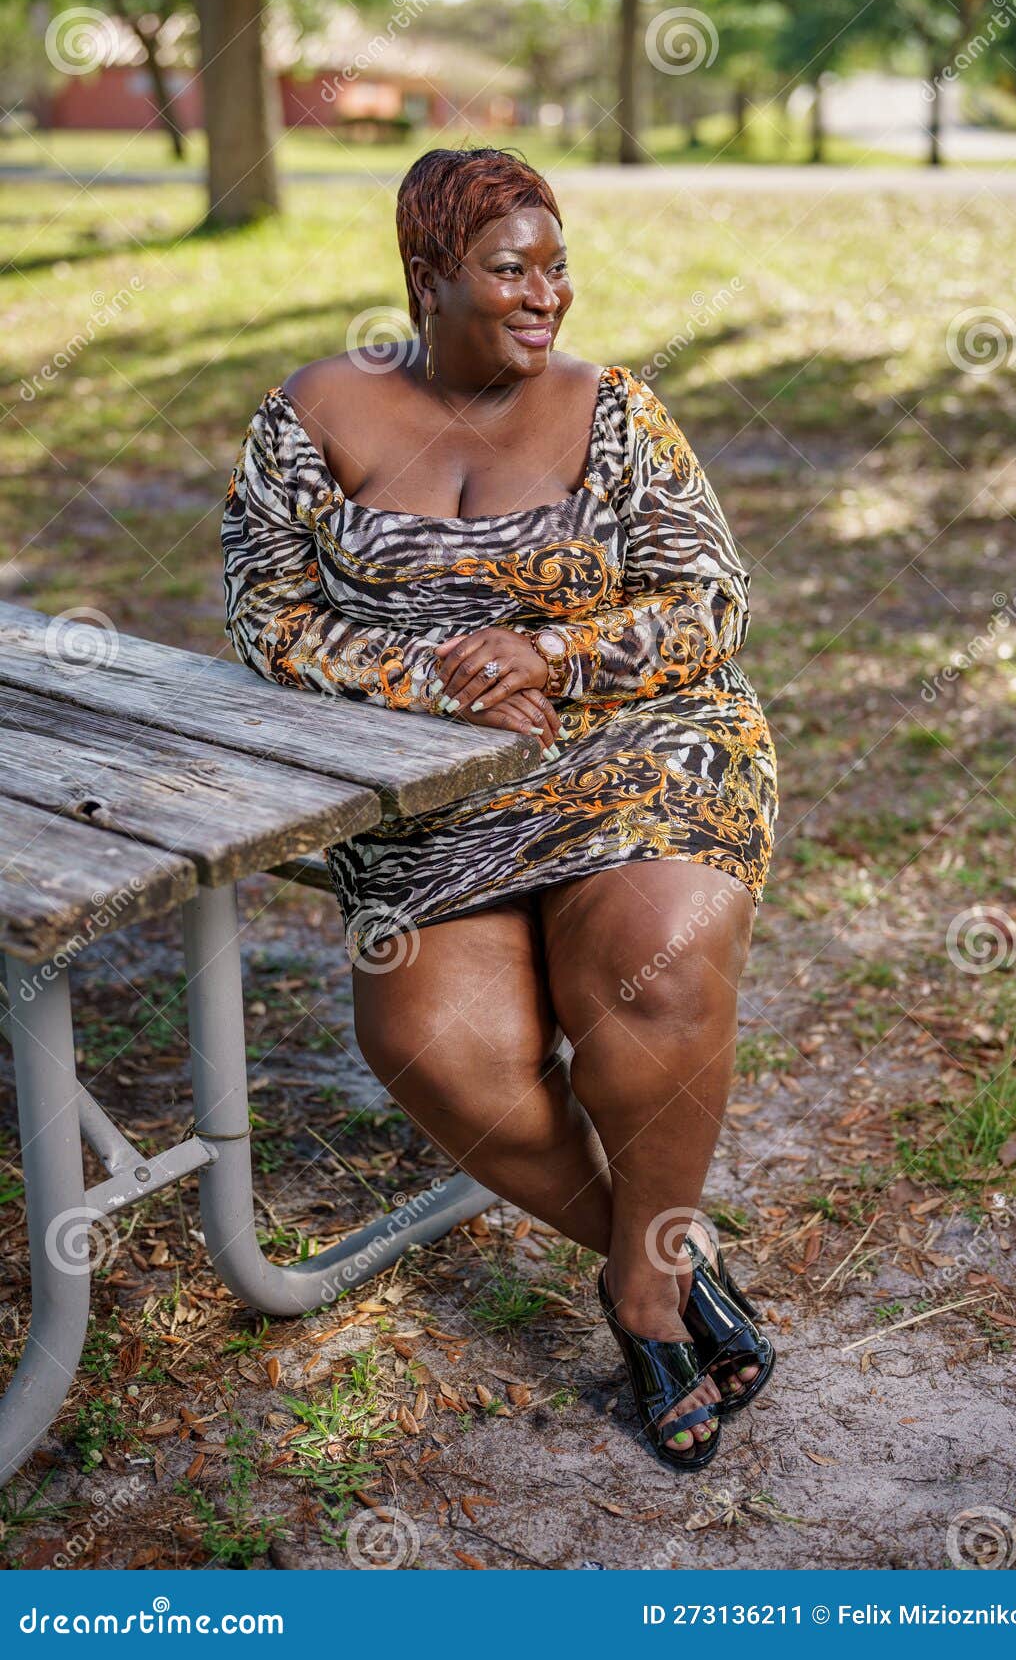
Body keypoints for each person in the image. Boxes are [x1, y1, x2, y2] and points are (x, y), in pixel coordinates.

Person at [221, 147, 778, 1471]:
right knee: (438, 1044)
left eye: (556, 265)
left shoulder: (615, 410)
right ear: (426, 278)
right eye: (508, 270)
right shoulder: (314, 414)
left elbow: (710, 603)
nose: (547, 296)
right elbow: (264, 615)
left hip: (637, 747)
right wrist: (427, 677)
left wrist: (554, 655)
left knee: (648, 976)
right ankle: (668, 1240)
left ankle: (643, 1298)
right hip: (427, 796)